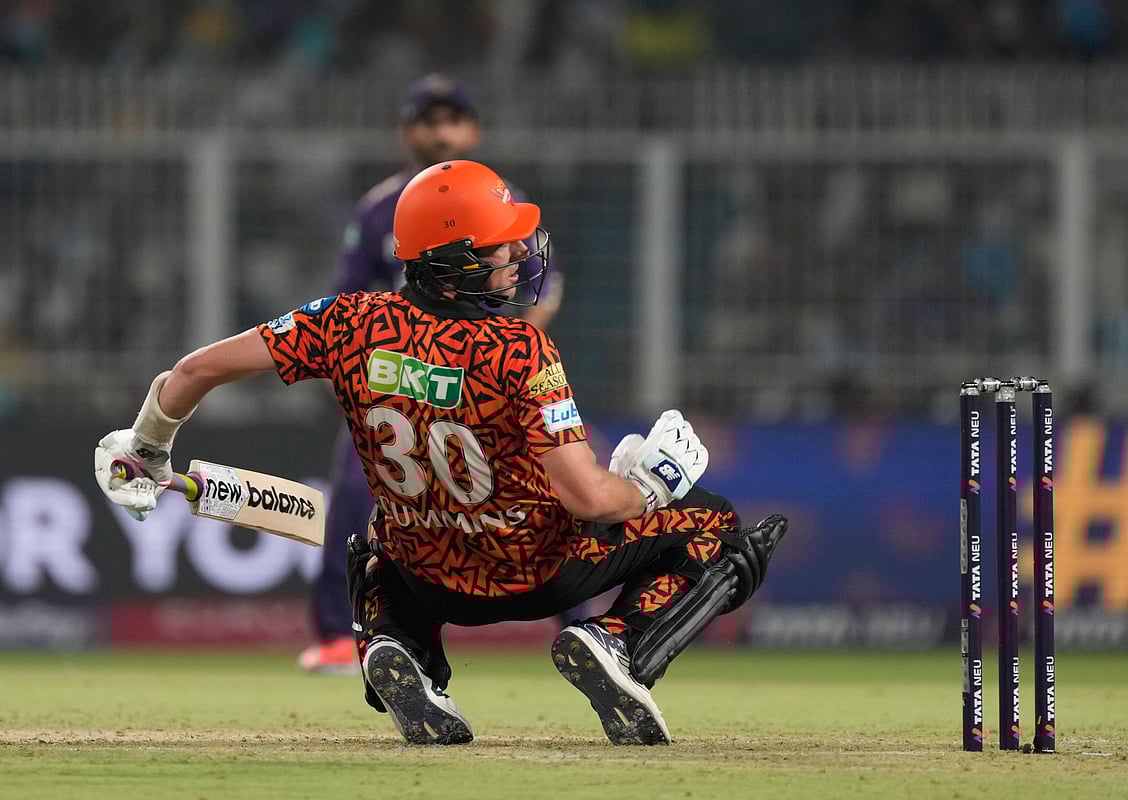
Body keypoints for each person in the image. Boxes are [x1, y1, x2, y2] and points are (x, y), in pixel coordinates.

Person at [93, 159, 786, 746]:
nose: (519, 256)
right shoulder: (519, 349)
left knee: (372, 547)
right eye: (500, 247)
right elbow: (587, 500)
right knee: (716, 523)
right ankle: (619, 644)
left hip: (427, 571)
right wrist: (654, 484)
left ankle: (405, 650)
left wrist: (149, 447)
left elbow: (190, 373)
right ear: (453, 268)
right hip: (536, 570)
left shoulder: (346, 321)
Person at [300, 73, 565, 674]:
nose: (440, 132)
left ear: (473, 129)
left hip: (486, 382)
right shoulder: (378, 209)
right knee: (349, 497)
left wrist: (508, 368)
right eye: (428, 120)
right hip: (396, 380)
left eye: (452, 120)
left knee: (551, 490)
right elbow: (346, 299)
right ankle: (340, 636)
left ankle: (584, 627)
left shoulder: (506, 201)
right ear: (407, 133)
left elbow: (539, 296)